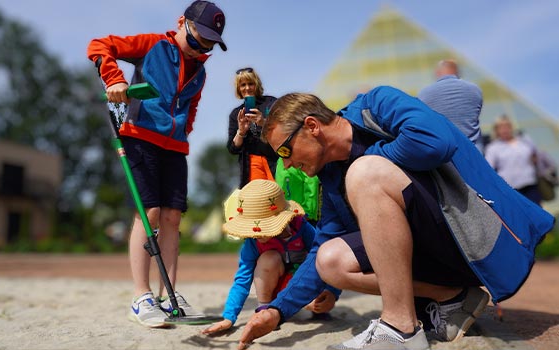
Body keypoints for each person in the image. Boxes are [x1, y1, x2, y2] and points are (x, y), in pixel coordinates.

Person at [236, 87, 554, 350]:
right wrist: (278, 311)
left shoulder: (376, 104)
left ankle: (400, 327)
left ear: (312, 126)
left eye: (285, 152)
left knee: (364, 172)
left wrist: (369, 161)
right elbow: (322, 245)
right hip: (436, 257)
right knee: (330, 260)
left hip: (475, 236)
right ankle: (452, 298)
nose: (287, 166)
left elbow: (437, 141)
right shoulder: (330, 175)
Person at [87, 0, 227, 328]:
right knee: (148, 214)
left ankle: (170, 296)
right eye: (197, 39)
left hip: (175, 147)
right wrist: (114, 79)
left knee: (173, 217)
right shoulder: (152, 45)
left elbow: (191, 106)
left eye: (209, 43)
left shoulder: (201, 71)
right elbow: (99, 45)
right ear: (182, 23)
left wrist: (184, 129)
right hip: (140, 137)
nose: (201, 47)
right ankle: (142, 296)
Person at [201, 179, 337, 335]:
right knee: (268, 258)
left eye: (262, 227)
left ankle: (317, 308)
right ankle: (265, 309)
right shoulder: (253, 242)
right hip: (274, 289)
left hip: (303, 284)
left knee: (314, 259)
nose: (256, 234)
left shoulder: (301, 228)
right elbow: (242, 280)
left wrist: (331, 292)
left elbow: (326, 257)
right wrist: (228, 317)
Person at [227, 67, 278, 189]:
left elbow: (284, 130)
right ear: (238, 88)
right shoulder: (236, 114)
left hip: (275, 159)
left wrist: (263, 122)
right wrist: (241, 131)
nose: (247, 88)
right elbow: (232, 148)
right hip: (252, 162)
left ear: (257, 84)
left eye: (251, 83)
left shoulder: (271, 103)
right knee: (258, 202)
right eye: (243, 85)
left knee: (279, 198)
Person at [418, 59, 484, 152]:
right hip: (473, 154)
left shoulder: (424, 93)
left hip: (442, 156)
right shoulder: (475, 89)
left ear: (437, 72)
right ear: (458, 72)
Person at [484, 115, 542, 205]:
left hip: (530, 185)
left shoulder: (524, 141)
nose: (505, 130)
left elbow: (535, 156)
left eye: (507, 126)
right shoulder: (493, 148)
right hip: (510, 189)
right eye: (501, 127)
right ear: (496, 130)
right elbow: (489, 168)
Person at [274, 158, 321, 225]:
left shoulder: (301, 158)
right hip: (283, 213)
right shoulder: (280, 160)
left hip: (301, 214)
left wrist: (308, 212)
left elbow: (311, 184)